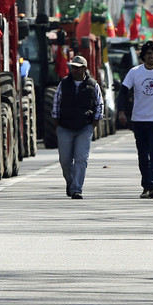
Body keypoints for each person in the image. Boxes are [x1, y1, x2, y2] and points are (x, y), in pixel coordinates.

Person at [117, 41, 153, 199]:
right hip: (138, 119)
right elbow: (123, 92)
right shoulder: (134, 72)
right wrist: (121, 111)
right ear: (143, 56)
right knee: (143, 155)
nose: (152, 57)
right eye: (149, 54)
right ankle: (147, 186)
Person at [52, 55, 104, 200]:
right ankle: (70, 182)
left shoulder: (93, 85)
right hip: (64, 127)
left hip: (84, 127)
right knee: (65, 160)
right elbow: (56, 103)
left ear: (84, 69)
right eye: (73, 67)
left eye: (78, 67)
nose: (74, 70)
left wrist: (93, 123)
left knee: (81, 159)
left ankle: (76, 189)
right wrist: (57, 125)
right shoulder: (64, 84)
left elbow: (99, 105)